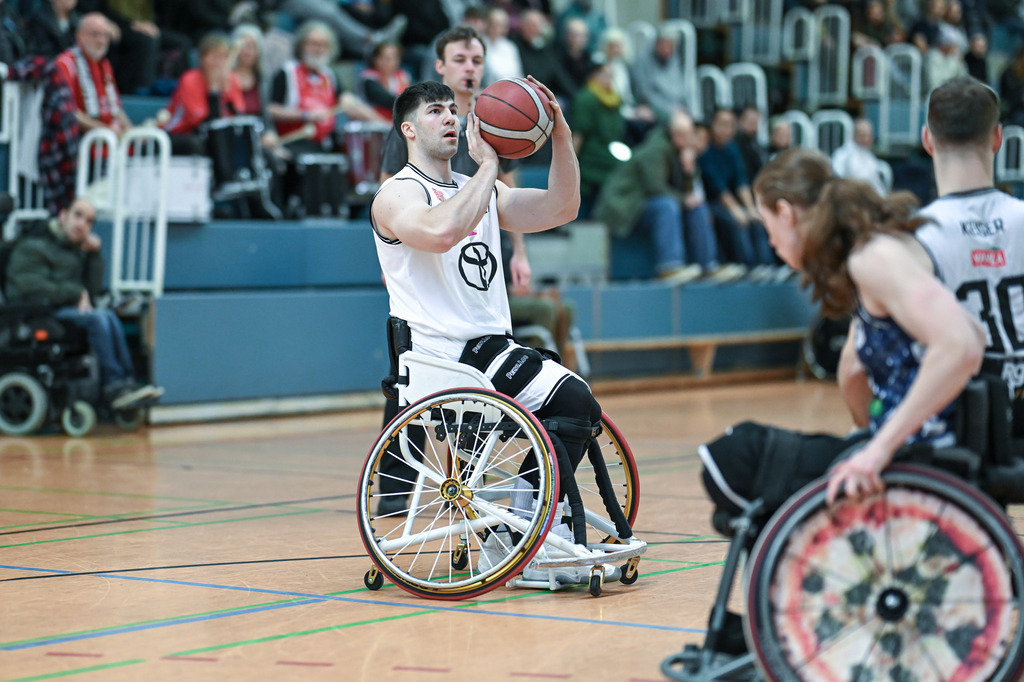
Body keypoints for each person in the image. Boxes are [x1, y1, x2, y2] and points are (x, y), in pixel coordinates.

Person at [698, 147, 985, 655]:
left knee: (736, 456)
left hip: (921, 456)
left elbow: (962, 344)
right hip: (919, 447)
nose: (770, 242)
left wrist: (877, 449)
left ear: (786, 211)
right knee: (749, 474)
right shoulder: (870, 254)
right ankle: (779, 623)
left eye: (769, 228)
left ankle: (786, 628)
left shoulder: (874, 258)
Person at [371, 77, 611, 582]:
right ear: (409, 129)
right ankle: (528, 539)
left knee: (578, 405)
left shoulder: (477, 187)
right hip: (442, 357)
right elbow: (440, 231)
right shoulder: (395, 195)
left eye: (451, 109)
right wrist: (487, 168)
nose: (449, 117)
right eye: (435, 111)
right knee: (572, 399)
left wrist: (561, 135)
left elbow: (561, 207)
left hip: (491, 349)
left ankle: (520, 531)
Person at [840, 76, 1024, 437]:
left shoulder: (908, 240)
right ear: (997, 139)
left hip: (956, 426)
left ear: (927, 140)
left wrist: (876, 434)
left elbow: (852, 370)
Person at [5, 197, 164, 410]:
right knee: (97, 318)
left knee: (107, 315)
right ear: (63, 216)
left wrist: (94, 256)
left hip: (66, 309)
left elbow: (91, 291)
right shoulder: (32, 246)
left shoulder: (76, 251)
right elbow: (31, 286)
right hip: (39, 312)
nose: (82, 225)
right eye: (78, 215)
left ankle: (127, 383)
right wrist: (76, 292)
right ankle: (114, 385)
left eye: (89, 221)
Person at [594, 111, 742, 284]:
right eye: (684, 135)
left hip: (646, 203)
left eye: (690, 134)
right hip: (624, 206)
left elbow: (686, 193)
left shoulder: (681, 153)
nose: (689, 139)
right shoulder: (655, 149)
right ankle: (669, 266)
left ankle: (708, 266)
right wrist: (684, 199)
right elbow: (655, 188)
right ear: (674, 134)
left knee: (698, 208)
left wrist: (688, 171)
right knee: (667, 205)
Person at [267, 20, 384, 156]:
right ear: (301, 46)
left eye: (323, 45)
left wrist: (384, 124)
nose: (318, 49)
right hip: (293, 144)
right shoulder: (287, 72)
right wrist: (305, 115)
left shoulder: (329, 75)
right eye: (313, 44)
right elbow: (271, 109)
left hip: (324, 145)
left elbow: (351, 105)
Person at [698, 108, 776, 278]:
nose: (726, 129)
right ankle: (747, 266)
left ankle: (767, 266)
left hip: (731, 199)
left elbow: (741, 181)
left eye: (731, 125)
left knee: (756, 219)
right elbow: (718, 186)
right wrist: (736, 210)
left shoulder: (733, 149)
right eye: (722, 124)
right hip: (712, 202)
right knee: (736, 220)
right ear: (713, 125)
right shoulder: (705, 150)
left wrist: (751, 209)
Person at [160, 32, 243, 156]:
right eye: (215, 56)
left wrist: (225, 92)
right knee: (203, 145)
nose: (219, 62)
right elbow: (202, 123)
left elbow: (237, 116)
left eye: (224, 57)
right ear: (202, 58)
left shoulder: (232, 80)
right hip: (180, 133)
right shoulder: (189, 79)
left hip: (212, 137)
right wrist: (214, 91)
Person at [54, 12, 132, 140]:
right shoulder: (65, 63)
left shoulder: (105, 64)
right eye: (95, 34)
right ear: (79, 36)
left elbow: (116, 109)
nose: (101, 41)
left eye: (105, 35)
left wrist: (130, 132)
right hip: (79, 142)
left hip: (107, 140)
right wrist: (105, 130)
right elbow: (68, 111)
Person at [630, 27, 691, 125]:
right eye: (664, 44)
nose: (667, 49)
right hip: (651, 107)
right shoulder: (642, 61)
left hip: (676, 108)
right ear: (656, 43)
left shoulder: (674, 60)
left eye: (671, 45)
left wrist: (681, 108)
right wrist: (670, 110)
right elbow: (645, 93)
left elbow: (680, 90)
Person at [831, 117, 890, 197]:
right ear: (855, 135)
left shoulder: (869, 157)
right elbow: (837, 179)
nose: (867, 139)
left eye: (868, 135)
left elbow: (877, 185)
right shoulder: (843, 154)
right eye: (863, 135)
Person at [357, 41, 411, 122]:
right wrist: (411, 102)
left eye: (395, 58)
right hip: (374, 121)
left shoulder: (402, 75)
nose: (392, 62)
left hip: (397, 120)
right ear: (376, 59)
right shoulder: (369, 77)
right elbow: (386, 100)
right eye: (387, 58)